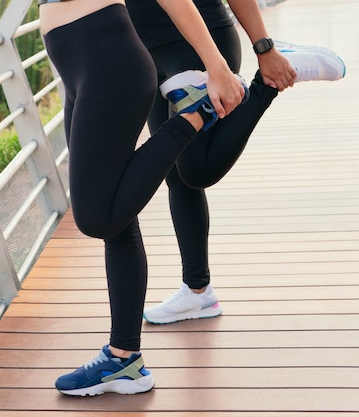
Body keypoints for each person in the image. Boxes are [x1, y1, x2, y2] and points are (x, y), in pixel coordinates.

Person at [38, 0, 250, 396]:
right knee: (117, 212)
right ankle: (124, 360)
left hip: (106, 60)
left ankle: (195, 112)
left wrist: (216, 64)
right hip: (83, 63)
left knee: (98, 216)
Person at [124, 0, 346, 324]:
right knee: (174, 173)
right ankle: (197, 293)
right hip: (150, 51)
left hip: (199, 47)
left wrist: (263, 47)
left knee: (198, 170)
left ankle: (266, 84)